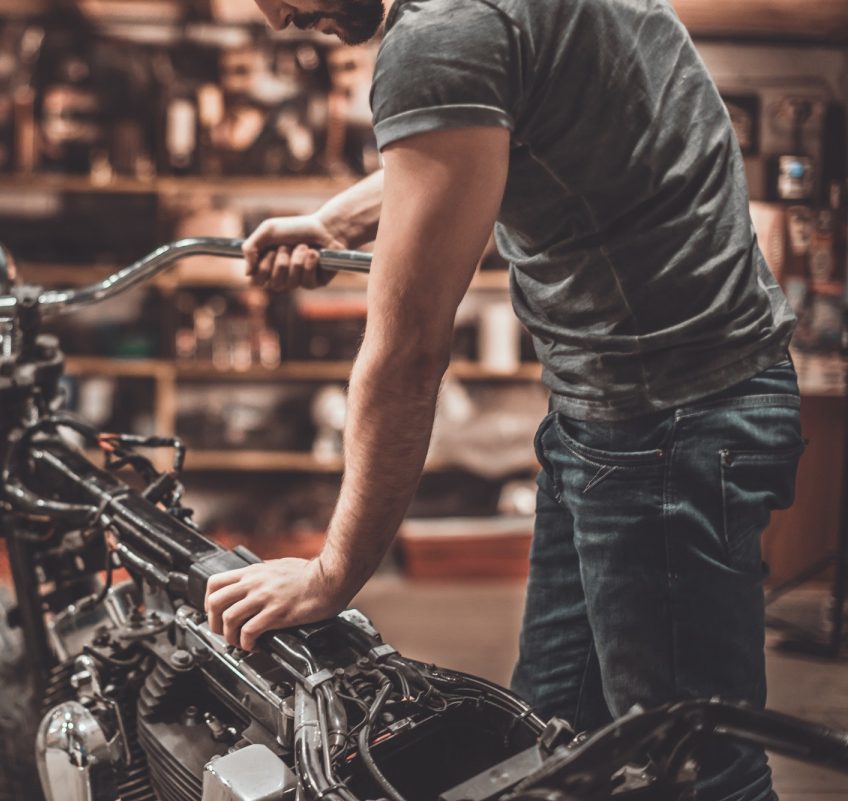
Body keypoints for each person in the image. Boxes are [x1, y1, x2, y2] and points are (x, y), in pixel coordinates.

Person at [201, 1, 803, 799]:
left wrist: (333, 573)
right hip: (630, 414)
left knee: (696, 771)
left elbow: (408, 352)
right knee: (548, 746)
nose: (278, 21)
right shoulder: (480, 25)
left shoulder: (441, 36)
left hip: (663, 428)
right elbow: (495, 122)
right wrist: (334, 217)